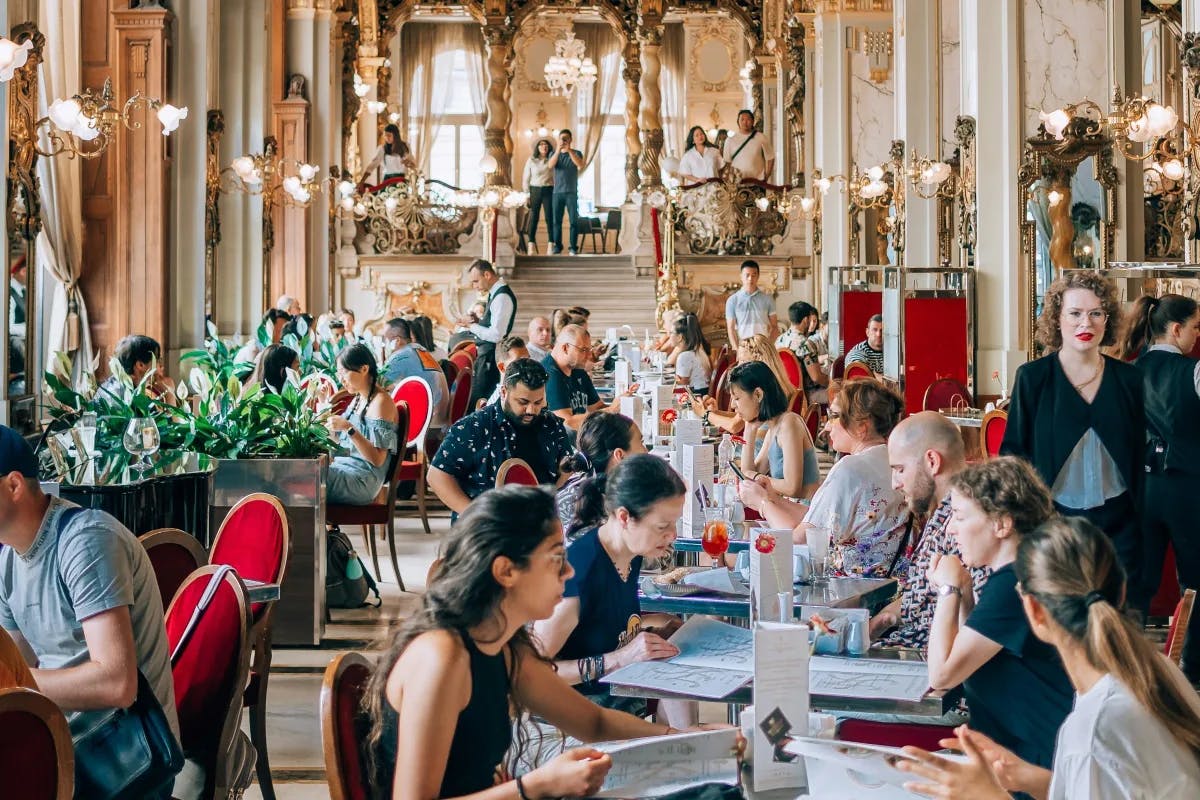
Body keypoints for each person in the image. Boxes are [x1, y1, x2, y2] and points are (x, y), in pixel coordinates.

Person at [363, 486, 710, 800]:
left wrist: (688, 741)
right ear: (506, 571)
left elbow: (594, 723)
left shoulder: (503, 644)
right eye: (556, 558)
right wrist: (536, 786)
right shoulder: (442, 658)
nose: (569, 572)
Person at [897, 517, 1200, 800]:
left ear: (1034, 612)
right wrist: (1028, 777)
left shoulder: (1094, 729)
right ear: (1121, 591)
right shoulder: (1150, 668)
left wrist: (988, 794)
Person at [0, 425, 179, 746]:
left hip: (126, 758)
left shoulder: (86, 542)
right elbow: (16, 665)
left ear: (14, 485)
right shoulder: (7, 562)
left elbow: (116, 684)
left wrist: (13, 681)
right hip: (63, 738)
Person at [1000, 271, 1145, 610]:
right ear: (1057, 318)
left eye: (1096, 313)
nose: (1087, 322)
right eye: (1075, 313)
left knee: (1118, 625)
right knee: (1062, 625)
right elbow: (1014, 454)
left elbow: (1139, 455)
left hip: (1121, 525)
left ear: (1107, 319)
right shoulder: (1033, 378)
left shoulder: (1129, 379)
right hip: (1055, 523)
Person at [923, 457, 1070, 769]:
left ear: (1002, 524)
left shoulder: (1013, 586)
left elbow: (942, 676)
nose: (950, 530)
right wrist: (963, 591)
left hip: (1038, 761)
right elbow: (976, 654)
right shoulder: (1019, 573)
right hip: (1030, 751)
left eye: (960, 517)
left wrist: (947, 589)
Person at [535, 456, 692, 728]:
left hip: (619, 695)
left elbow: (602, 625)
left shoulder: (632, 553)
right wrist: (620, 657)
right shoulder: (578, 574)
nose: (672, 535)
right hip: (574, 716)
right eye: (662, 526)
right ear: (624, 517)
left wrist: (650, 633)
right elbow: (533, 675)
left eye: (674, 524)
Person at [745, 380, 908, 573]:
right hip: (890, 584)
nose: (827, 426)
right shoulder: (891, 459)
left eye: (835, 416)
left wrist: (762, 505)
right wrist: (772, 498)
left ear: (861, 427)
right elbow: (820, 518)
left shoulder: (850, 469)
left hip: (851, 589)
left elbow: (801, 541)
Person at [1121, 293, 1200, 680]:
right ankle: (1190, 668)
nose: (1197, 335)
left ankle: (1129, 665)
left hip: (1142, 491)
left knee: (1139, 582)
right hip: (1188, 490)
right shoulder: (1195, 372)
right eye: (1196, 327)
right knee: (1196, 582)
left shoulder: (1126, 371)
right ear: (1176, 328)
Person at [874, 411, 985, 648]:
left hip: (929, 661)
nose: (894, 483)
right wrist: (872, 626)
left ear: (932, 461)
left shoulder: (970, 523)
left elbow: (973, 627)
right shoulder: (941, 511)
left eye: (900, 469)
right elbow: (917, 598)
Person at [428, 359, 573, 514]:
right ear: (504, 392)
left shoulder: (551, 425)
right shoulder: (474, 427)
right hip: (488, 526)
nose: (531, 410)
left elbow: (567, 471)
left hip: (540, 523)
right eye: (523, 402)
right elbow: (437, 475)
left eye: (538, 402)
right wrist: (473, 515)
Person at [731, 361, 819, 500]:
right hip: (788, 509)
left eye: (737, 398)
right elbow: (748, 475)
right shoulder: (774, 427)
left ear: (758, 395)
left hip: (805, 514)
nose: (732, 405)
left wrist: (755, 476)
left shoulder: (789, 423)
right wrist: (749, 429)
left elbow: (792, 488)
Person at [327, 345, 401, 505]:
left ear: (364, 369)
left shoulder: (381, 402)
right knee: (305, 473)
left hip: (362, 480)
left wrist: (348, 428)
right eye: (338, 374)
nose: (341, 379)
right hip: (344, 469)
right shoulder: (358, 399)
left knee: (308, 479)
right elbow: (341, 445)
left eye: (344, 372)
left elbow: (377, 459)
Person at [556, 412, 646, 538]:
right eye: (641, 442)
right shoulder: (583, 505)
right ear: (620, 455)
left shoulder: (594, 485)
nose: (646, 451)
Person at [694, 334, 798, 435]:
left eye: (743, 361)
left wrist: (705, 414)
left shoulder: (763, 389)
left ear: (758, 362)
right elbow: (740, 418)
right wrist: (715, 413)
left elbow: (734, 426)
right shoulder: (775, 383)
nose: (737, 366)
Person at [543, 325, 632, 432]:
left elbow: (597, 407)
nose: (589, 355)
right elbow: (567, 423)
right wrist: (611, 410)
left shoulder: (577, 368)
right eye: (583, 350)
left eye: (589, 350)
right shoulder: (550, 375)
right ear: (566, 348)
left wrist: (621, 404)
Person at [457, 259, 517, 409]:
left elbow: (497, 334)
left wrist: (472, 326)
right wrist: (477, 321)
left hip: (491, 357)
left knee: (480, 401)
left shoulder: (502, 297)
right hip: (486, 357)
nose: (474, 286)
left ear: (487, 274)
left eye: (476, 281)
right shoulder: (495, 293)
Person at [381, 317, 449, 427]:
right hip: (440, 416)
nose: (383, 342)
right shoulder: (418, 348)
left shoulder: (400, 356)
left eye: (385, 338)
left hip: (425, 423)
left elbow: (377, 385)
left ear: (397, 340)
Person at [98, 334, 179, 406]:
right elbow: (174, 423)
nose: (162, 367)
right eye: (157, 361)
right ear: (140, 365)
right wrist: (169, 393)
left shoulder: (130, 388)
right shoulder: (118, 397)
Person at [777, 301, 830, 405]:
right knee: (842, 394)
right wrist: (832, 382)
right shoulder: (805, 345)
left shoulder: (779, 341)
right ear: (806, 320)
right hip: (807, 396)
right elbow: (816, 377)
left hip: (783, 394)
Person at [725, 260, 778, 346]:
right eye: (747, 275)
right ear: (741, 276)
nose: (750, 278)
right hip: (743, 349)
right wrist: (737, 350)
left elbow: (775, 327)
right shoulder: (732, 301)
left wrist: (769, 347)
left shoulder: (768, 299)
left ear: (758, 276)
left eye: (754, 275)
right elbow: (731, 329)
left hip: (763, 348)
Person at [550, 129, 585, 256]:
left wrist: (569, 150)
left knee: (573, 221)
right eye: (561, 138)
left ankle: (573, 247)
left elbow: (580, 164)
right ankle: (557, 246)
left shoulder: (577, 153)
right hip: (557, 193)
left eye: (566, 138)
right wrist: (559, 150)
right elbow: (550, 165)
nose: (563, 140)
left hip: (571, 192)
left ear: (570, 140)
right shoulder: (554, 153)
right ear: (558, 140)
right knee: (556, 221)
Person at [721, 109, 773, 182]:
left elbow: (770, 157)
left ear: (752, 122)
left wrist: (767, 175)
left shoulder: (761, 137)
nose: (745, 122)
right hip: (737, 181)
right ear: (738, 122)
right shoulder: (730, 140)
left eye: (748, 119)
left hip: (757, 181)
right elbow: (727, 163)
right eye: (742, 119)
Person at [524, 138, 556, 254]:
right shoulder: (532, 160)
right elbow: (526, 178)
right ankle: (531, 245)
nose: (544, 146)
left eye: (546, 144)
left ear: (549, 147)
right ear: (537, 147)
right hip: (535, 190)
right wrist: (527, 194)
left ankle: (551, 245)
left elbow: (556, 176)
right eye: (541, 144)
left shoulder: (552, 160)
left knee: (549, 218)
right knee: (534, 218)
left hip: (549, 190)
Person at [484, 335, 531, 406]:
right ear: (502, 367)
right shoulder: (496, 404)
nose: (527, 366)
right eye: (519, 362)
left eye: (527, 360)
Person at [670, 314, 711, 396]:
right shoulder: (698, 351)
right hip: (703, 392)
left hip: (696, 395)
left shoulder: (685, 356)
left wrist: (671, 380)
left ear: (680, 337)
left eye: (671, 332)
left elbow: (682, 384)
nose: (669, 335)